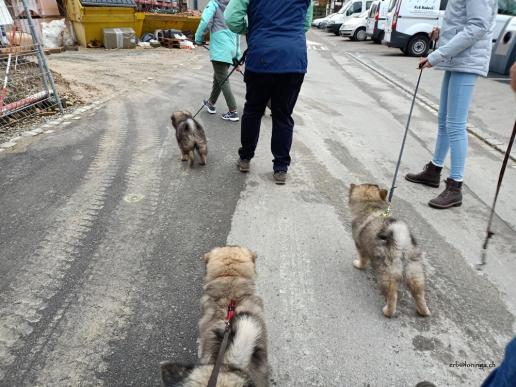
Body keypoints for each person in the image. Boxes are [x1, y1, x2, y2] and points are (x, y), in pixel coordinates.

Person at [405, 0, 498, 209]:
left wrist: (436, 55)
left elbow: (477, 26)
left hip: (467, 61)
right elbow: (462, 21)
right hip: (457, 59)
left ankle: (455, 186)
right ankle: (434, 171)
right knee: (444, 120)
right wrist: (442, 35)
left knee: (456, 125)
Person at [224, 0, 314, 185]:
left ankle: (245, 158)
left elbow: (231, 18)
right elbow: (305, 24)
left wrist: (250, 30)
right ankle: (280, 168)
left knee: (253, 111)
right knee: (283, 115)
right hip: (293, 59)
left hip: (261, 57)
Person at [194, 0, 241, 122]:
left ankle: (233, 111)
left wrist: (198, 38)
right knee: (219, 78)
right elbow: (238, 32)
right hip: (230, 49)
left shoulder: (214, 3)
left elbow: (205, 22)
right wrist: (237, 55)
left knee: (223, 80)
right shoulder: (233, 5)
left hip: (220, 49)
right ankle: (211, 103)